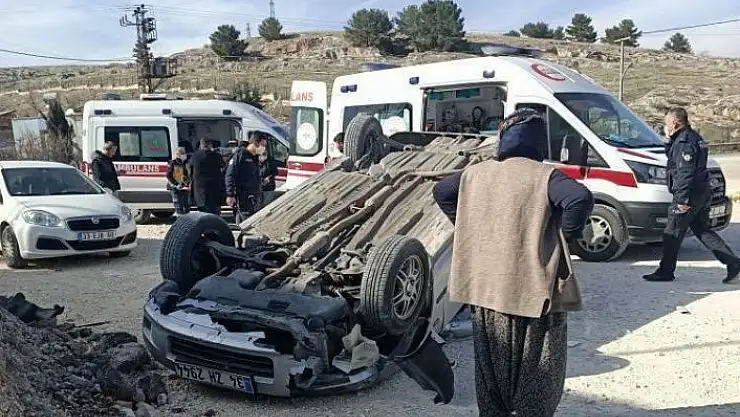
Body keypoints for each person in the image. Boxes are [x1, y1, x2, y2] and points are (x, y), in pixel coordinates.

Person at [433, 108, 594, 417]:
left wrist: (468, 227)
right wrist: (566, 236)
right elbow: (579, 198)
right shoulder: (544, 175)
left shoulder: (476, 174)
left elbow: (441, 191)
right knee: (537, 370)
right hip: (532, 293)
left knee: (491, 372)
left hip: (486, 293)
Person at [643, 107, 740, 283]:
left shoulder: (684, 142)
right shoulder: (693, 138)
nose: (666, 126)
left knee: (672, 232)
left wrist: (681, 200)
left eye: (667, 123)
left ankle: (665, 271)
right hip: (701, 193)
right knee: (702, 230)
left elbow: (685, 173)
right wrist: (668, 140)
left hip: (689, 196)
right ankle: (732, 262)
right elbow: (674, 158)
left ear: (674, 123)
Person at [225, 133, 266, 223]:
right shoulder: (241, 155)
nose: (264, 148)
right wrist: (230, 194)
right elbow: (230, 175)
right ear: (255, 143)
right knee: (245, 221)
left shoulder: (255, 157)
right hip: (243, 196)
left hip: (254, 196)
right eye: (262, 145)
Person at [190, 138, 225, 215]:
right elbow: (223, 166)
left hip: (200, 191)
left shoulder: (195, 156)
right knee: (215, 214)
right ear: (210, 145)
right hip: (214, 190)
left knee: (203, 214)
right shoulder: (216, 156)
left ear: (201, 145)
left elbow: (190, 169)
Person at [166, 147, 192, 216]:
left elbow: (190, 174)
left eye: (184, 153)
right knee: (178, 206)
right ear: (178, 155)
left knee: (187, 206)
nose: (184, 155)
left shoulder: (187, 163)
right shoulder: (173, 163)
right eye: (182, 153)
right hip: (176, 187)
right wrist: (176, 184)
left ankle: (187, 219)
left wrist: (189, 183)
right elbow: (168, 175)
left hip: (185, 187)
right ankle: (180, 219)